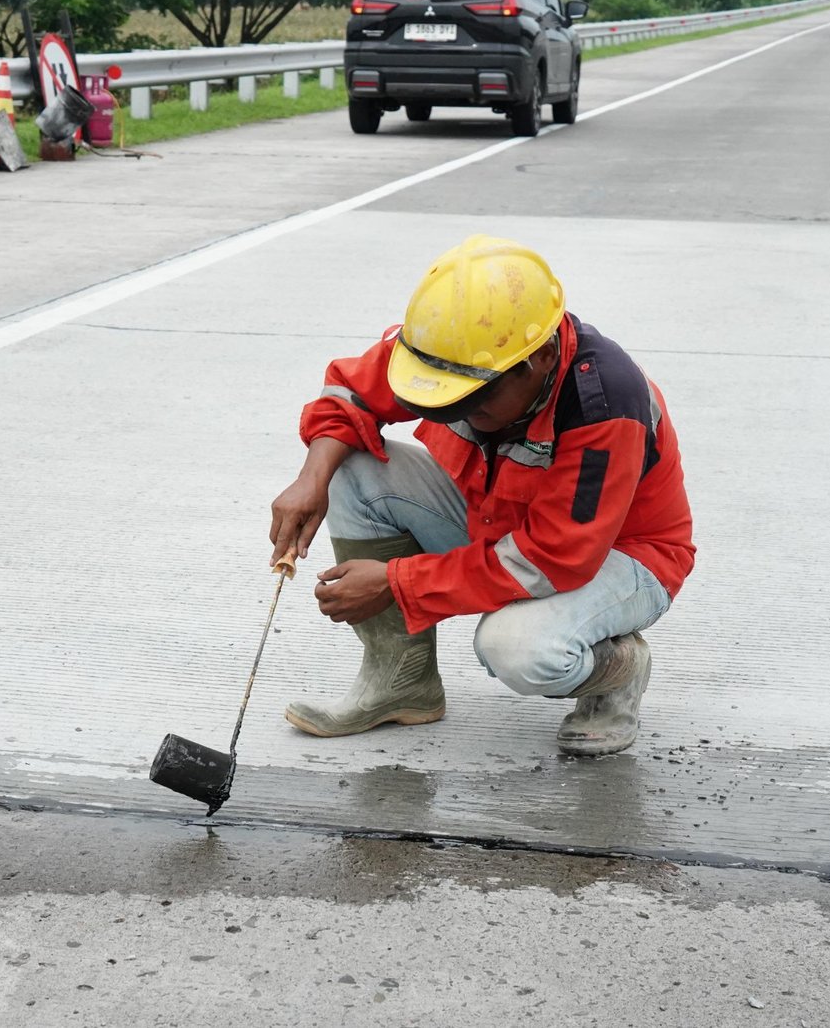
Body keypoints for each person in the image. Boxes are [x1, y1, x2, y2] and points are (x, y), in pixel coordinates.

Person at [268, 236, 695, 756]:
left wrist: (397, 581)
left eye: (477, 399)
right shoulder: (449, 347)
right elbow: (351, 393)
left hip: (619, 557)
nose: (463, 413)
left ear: (540, 358)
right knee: (349, 468)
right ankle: (402, 683)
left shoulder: (603, 406)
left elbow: (553, 557)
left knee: (516, 649)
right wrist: (310, 479)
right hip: (500, 521)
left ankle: (618, 669)